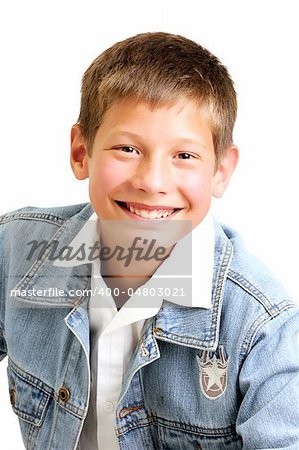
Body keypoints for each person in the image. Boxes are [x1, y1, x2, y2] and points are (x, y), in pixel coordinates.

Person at [0, 31, 298, 450]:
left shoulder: (264, 329)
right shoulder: (15, 250)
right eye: (127, 148)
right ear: (81, 152)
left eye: (184, 156)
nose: (152, 182)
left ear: (221, 171)